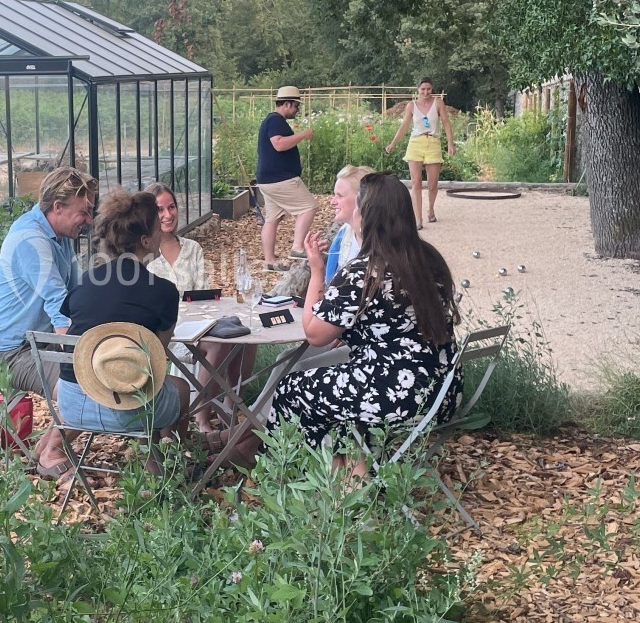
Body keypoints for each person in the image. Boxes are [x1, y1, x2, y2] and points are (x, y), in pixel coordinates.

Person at [213, 172, 461, 472]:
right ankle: (340, 469)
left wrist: (316, 271)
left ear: (366, 213)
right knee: (319, 382)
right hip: (442, 392)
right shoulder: (428, 259)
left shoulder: (365, 272)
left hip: (396, 395)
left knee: (293, 388)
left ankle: (279, 465)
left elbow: (315, 333)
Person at [42, 190, 188, 478]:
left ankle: (154, 464)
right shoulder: (163, 292)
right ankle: (170, 464)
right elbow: (156, 360)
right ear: (145, 241)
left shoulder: (85, 282)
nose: (162, 233)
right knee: (176, 387)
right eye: (158, 229)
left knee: (129, 379)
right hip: (131, 410)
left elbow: (74, 320)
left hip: (73, 407)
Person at [0, 166, 97, 471]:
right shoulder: (31, 240)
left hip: (35, 344)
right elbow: (61, 311)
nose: (90, 220)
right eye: (84, 212)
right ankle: (50, 453)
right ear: (58, 207)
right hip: (7, 353)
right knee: (91, 386)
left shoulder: (59, 235)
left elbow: (77, 296)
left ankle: (46, 447)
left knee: (96, 375)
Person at [145, 182, 254, 432]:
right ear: (149, 215)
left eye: (171, 207)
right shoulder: (144, 253)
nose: (168, 215)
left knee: (246, 337)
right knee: (218, 343)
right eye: (160, 210)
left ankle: (231, 410)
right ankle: (200, 416)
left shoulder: (192, 248)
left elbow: (203, 295)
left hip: (196, 324)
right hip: (165, 333)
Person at [255, 85, 317, 271]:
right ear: (287, 104)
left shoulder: (270, 120)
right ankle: (297, 248)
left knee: (272, 219)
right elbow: (279, 144)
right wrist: (303, 135)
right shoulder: (276, 120)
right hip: (280, 179)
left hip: (267, 180)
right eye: (296, 106)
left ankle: (270, 261)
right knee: (309, 206)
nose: (297, 110)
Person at [385, 77, 456, 229]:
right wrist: (393, 143)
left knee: (432, 183)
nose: (426, 92)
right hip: (416, 143)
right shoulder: (411, 105)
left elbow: (445, 122)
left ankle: (430, 208)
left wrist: (450, 143)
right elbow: (404, 126)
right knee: (416, 183)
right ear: (418, 90)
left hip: (433, 142)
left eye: (428, 89)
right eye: (423, 89)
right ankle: (418, 219)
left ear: (432, 89)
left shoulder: (438, 103)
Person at [323, 164, 375, 283]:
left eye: (339, 196)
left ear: (362, 199)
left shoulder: (383, 240)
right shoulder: (342, 236)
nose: (332, 202)